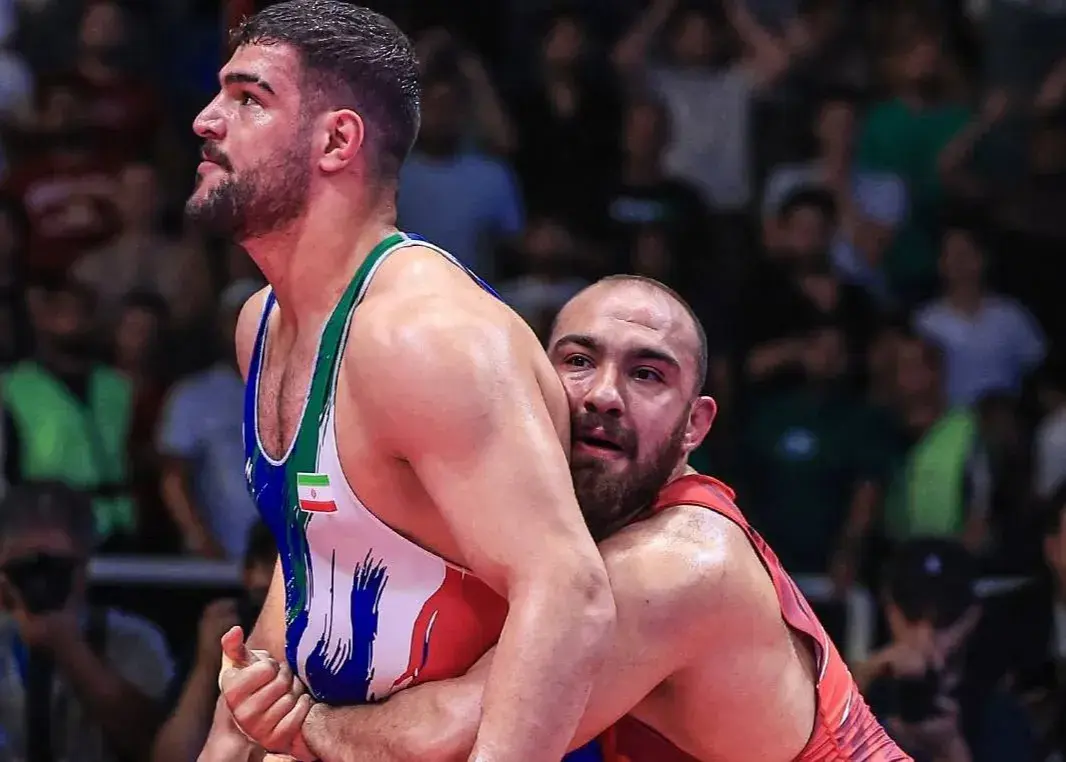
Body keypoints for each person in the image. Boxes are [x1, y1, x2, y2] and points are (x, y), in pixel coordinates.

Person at [222, 276, 909, 761]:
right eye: (578, 361)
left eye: (647, 375)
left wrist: (303, 725)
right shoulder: (543, 523)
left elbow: (457, 739)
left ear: (694, 426)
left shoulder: (682, 563)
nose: (603, 394)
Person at [185, 2, 614, 762]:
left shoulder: (424, 338)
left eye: (249, 98)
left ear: (337, 141)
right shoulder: (262, 325)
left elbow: (570, 596)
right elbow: (313, 559)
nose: (206, 120)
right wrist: (227, 744)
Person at [0, 482, 173, 762]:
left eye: (54, 568)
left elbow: (155, 746)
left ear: (83, 568)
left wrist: (71, 649)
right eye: (24, 569)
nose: (39, 583)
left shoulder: (135, 641)